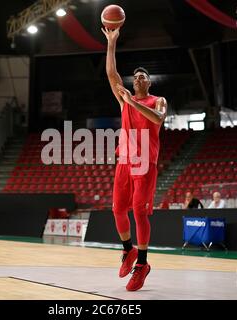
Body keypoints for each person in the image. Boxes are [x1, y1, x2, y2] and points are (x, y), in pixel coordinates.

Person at [102, 27, 167, 291]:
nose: (137, 79)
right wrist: (111, 42)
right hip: (125, 161)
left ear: (149, 83)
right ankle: (128, 250)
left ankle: (142, 264)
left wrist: (133, 102)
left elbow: (158, 119)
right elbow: (111, 74)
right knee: (118, 209)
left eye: (142, 77)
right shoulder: (124, 99)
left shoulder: (157, 100)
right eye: (135, 77)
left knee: (139, 211)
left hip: (145, 163)